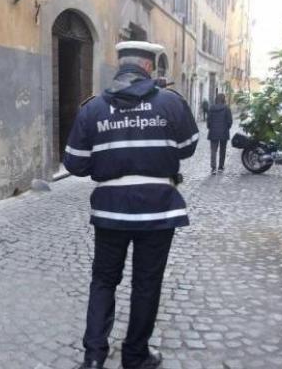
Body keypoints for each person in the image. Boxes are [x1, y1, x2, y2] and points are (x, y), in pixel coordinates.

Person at [64, 41, 199, 369]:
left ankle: (94, 357)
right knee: (147, 282)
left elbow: (75, 163)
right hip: (159, 210)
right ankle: (135, 355)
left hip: (111, 211)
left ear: (119, 65)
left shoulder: (93, 109)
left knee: (104, 280)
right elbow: (188, 147)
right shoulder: (171, 103)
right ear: (149, 67)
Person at [207, 93, 233, 174]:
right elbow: (230, 121)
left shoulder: (211, 108)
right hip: (224, 132)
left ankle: (213, 168)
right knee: (222, 150)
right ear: (224, 99)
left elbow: (208, 121)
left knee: (213, 150)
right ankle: (221, 167)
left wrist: (210, 128)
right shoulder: (227, 108)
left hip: (213, 132)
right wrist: (227, 128)